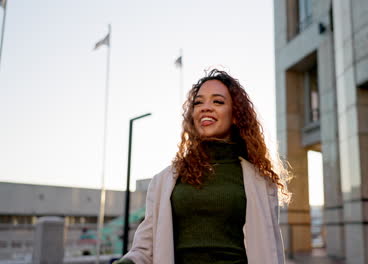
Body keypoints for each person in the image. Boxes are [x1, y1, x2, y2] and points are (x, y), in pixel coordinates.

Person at [115, 69, 290, 264]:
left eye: (217, 101)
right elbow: (145, 248)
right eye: (199, 102)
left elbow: (272, 251)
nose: (205, 107)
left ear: (235, 115)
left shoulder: (262, 182)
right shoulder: (163, 181)